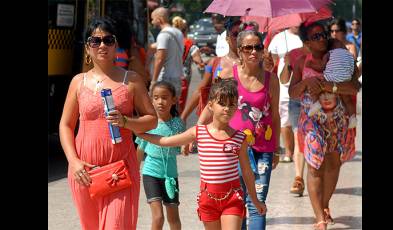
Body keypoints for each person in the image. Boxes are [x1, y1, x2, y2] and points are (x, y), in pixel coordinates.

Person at [59, 17, 157, 230]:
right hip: (84, 173)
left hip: (119, 171)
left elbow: (151, 119)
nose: (102, 45)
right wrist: (73, 161)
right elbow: (66, 125)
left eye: (108, 40)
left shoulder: (131, 80)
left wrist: (126, 121)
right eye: (95, 41)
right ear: (87, 47)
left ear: (116, 46)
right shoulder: (78, 81)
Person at [135, 79, 267, 230]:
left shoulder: (240, 138)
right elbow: (165, 141)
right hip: (208, 198)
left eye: (231, 105)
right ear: (210, 105)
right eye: (222, 103)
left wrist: (255, 200)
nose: (226, 109)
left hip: (232, 197)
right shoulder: (199, 132)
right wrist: (136, 131)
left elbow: (246, 170)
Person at [197, 27, 280, 230]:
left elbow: (275, 117)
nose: (253, 52)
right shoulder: (228, 74)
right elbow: (214, 104)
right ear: (240, 50)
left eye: (258, 47)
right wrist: (198, 130)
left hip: (262, 149)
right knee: (237, 200)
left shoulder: (271, 79)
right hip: (233, 147)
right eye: (248, 48)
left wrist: (276, 148)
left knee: (256, 201)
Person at [289, 21, 360, 230]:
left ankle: (325, 204)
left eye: (323, 34)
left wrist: (331, 86)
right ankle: (319, 216)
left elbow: (355, 87)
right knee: (314, 166)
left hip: (337, 121)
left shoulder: (340, 55)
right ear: (307, 42)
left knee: (333, 164)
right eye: (316, 36)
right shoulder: (302, 61)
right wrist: (304, 84)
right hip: (312, 122)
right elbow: (292, 92)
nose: (322, 38)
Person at [135, 81, 186, 230]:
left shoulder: (178, 124)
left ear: (174, 100)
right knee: (158, 217)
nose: (160, 102)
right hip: (150, 174)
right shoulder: (149, 123)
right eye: (156, 98)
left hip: (170, 176)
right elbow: (140, 149)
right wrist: (133, 172)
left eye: (164, 97)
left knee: (174, 219)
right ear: (151, 100)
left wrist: (185, 147)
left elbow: (184, 143)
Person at [180, 17, 243, 122]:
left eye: (242, 35)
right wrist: (183, 117)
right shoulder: (213, 63)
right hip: (217, 122)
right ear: (227, 38)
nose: (239, 38)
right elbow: (200, 90)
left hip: (242, 122)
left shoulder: (251, 64)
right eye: (235, 34)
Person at [268, 26, 303, 163]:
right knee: (285, 119)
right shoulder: (279, 38)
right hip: (284, 85)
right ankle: (289, 152)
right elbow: (272, 60)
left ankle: (302, 151)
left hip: (304, 83)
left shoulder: (306, 35)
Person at [306, 38, 357, 128]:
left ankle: (316, 102)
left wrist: (311, 65)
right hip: (346, 79)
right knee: (347, 100)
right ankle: (353, 117)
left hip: (332, 78)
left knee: (316, 83)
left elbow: (321, 67)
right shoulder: (349, 54)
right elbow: (353, 68)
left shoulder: (330, 53)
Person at [280, 45, 310, 196]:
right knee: (299, 139)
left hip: (318, 102)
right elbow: (284, 80)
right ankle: (299, 178)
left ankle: (315, 177)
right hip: (296, 101)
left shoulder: (325, 51)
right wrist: (287, 64)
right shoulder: (294, 53)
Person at [172, 16, 206, 112]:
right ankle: (178, 125)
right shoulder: (190, 44)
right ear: (186, 30)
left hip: (167, 76)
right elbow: (199, 62)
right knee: (179, 106)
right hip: (182, 78)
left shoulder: (169, 41)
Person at [150, 7, 184, 100]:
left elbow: (160, 58)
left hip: (166, 79)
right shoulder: (178, 32)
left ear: (159, 19)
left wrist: (154, 81)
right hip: (177, 78)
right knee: (174, 109)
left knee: (162, 111)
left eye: (153, 19)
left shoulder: (163, 35)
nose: (152, 22)